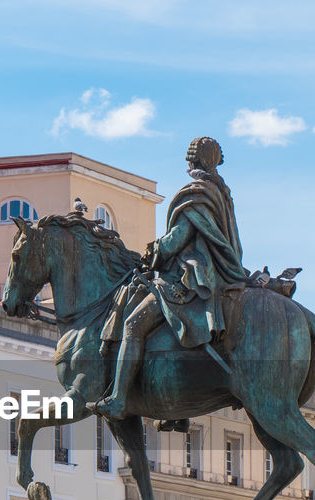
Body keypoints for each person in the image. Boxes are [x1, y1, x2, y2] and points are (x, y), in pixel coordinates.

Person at [94, 136, 250, 419]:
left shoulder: (195, 194)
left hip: (189, 277)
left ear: (193, 161)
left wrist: (154, 251)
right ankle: (176, 417)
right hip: (215, 272)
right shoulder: (220, 191)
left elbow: (178, 238)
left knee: (133, 325)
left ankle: (118, 398)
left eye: (190, 159)